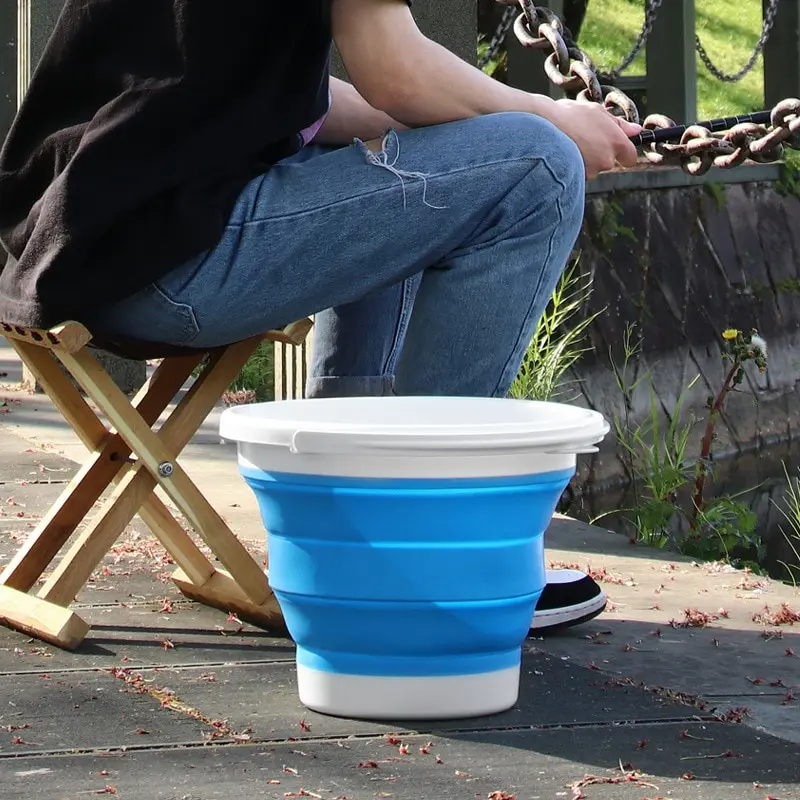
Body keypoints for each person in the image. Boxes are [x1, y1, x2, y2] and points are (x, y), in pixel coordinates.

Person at [0, 0, 640, 632]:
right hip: (161, 264)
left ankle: (345, 524)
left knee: (418, 147)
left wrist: (455, 118)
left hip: (69, 249)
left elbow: (297, 96)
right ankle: (427, 556)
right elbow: (396, 72)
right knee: (540, 166)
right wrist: (554, 117)